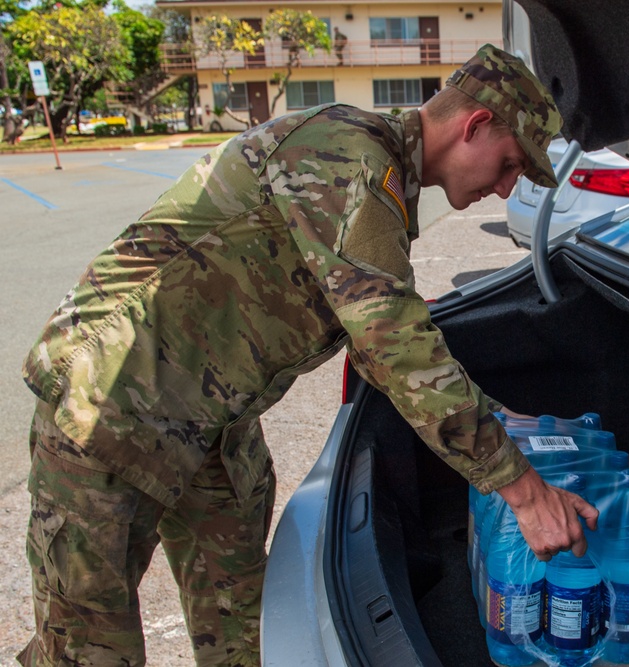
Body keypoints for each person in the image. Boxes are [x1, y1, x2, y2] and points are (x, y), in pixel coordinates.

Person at [18, 43, 598, 666]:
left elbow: (388, 340)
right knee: (87, 649)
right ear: (474, 125)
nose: (507, 187)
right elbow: (391, 341)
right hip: (111, 400)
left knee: (243, 621)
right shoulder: (345, 154)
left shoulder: (379, 179)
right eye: (511, 164)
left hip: (211, 417)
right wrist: (522, 488)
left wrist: (505, 425)